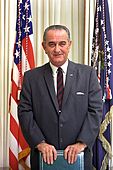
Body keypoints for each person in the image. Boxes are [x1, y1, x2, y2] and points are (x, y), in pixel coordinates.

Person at [18, 25, 102, 170]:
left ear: (69, 45)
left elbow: (95, 111)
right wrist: (40, 143)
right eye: (52, 44)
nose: (57, 49)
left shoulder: (88, 74)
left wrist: (81, 143)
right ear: (44, 47)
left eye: (62, 43)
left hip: (79, 157)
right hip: (43, 158)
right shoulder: (31, 78)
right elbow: (25, 112)